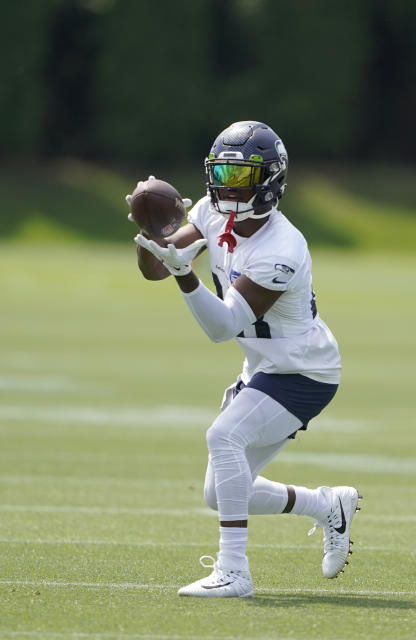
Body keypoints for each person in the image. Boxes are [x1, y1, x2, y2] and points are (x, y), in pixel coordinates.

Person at [130, 121, 360, 598]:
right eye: (223, 175)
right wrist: (154, 231)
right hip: (264, 367)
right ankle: (327, 506)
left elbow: (222, 326)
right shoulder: (212, 214)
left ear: (270, 180)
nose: (229, 189)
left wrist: (185, 278)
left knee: (223, 436)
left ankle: (234, 572)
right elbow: (158, 264)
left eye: (243, 177)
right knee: (221, 493)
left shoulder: (283, 248)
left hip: (303, 371)